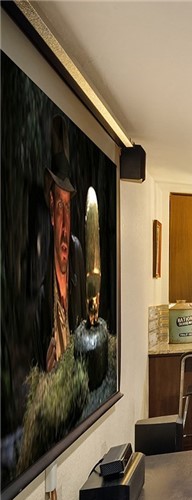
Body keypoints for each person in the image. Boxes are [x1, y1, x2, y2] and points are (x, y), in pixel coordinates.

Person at [43, 115, 84, 372]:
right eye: (60, 206)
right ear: (50, 207)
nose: (66, 224)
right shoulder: (41, 271)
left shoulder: (76, 252)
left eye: (68, 207)